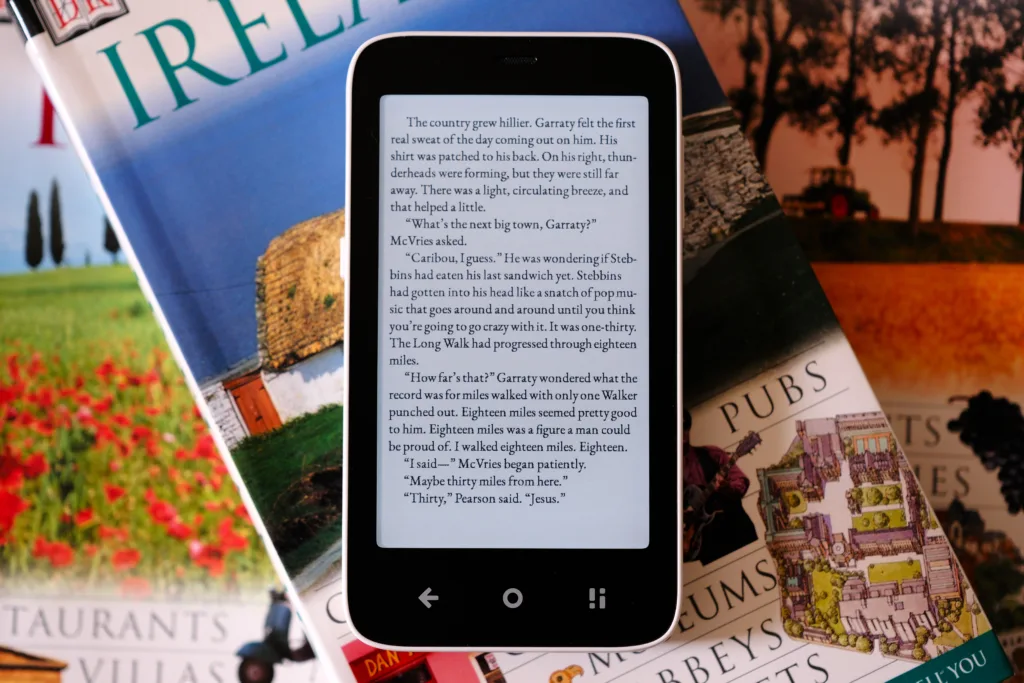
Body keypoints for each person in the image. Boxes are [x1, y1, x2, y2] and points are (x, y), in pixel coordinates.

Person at [683, 409, 759, 565]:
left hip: (736, 531)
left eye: (683, 427)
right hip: (706, 547)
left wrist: (726, 487)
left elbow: (741, 483)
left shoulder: (711, 453)